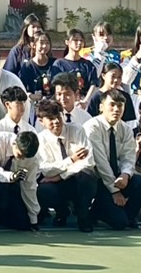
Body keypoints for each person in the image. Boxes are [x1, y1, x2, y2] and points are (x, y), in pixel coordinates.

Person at [85, 89, 141, 230]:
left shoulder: (125, 129)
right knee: (119, 223)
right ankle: (97, 212)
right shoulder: (92, 127)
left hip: (117, 177)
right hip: (97, 180)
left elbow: (128, 157)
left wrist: (126, 175)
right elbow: (100, 161)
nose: (116, 109)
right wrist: (115, 191)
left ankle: (128, 217)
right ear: (101, 107)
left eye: (120, 105)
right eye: (112, 105)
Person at [33, 98, 96, 231]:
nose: (56, 121)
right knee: (43, 190)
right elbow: (47, 170)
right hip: (57, 184)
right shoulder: (40, 139)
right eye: (51, 118)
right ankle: (62, 211)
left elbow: (88, 162)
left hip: (76, 179)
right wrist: (71, 160)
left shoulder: (77, 129)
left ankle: (83, 216)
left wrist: (61, 176)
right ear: (41, 121)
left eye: (58, 116)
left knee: (87, 176)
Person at [0, 128, 41, 232]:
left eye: (26, 157)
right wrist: (11, 176)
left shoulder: (33, 159)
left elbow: (30, 186)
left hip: (10, 182)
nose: (23, 159)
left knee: (23, 224)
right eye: (20, 155)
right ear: (14, 144)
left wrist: (33, 219)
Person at [55, 30, 101, 97]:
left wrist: (86, 100)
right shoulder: (59, 64)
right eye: (75, 40)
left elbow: (93, 84)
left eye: (81, 40)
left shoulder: (88, 65)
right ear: (67, 42)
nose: (79, 43)